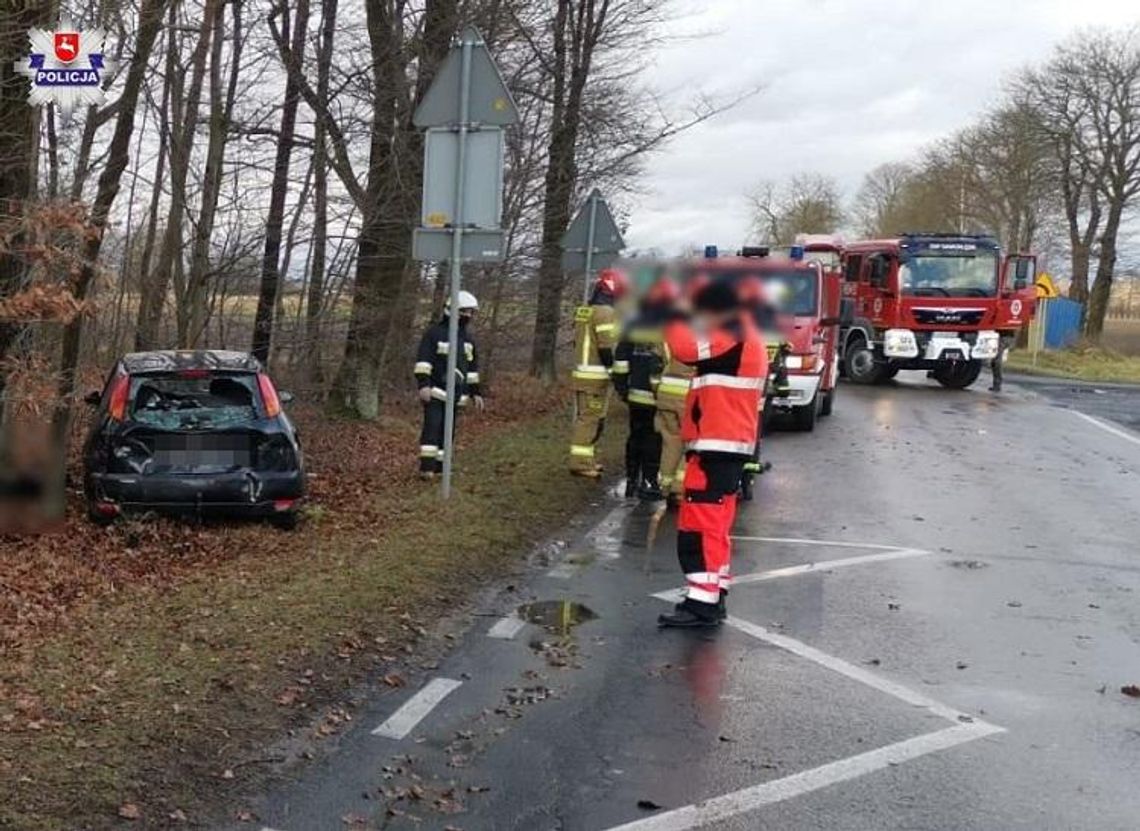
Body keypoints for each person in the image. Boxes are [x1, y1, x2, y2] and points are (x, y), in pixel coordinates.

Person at [657, 278, 768, 628]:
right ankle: (711, 595)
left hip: (718, 444)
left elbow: (685, 348)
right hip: (724, 444)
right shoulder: (744, 332)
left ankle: (701, 605)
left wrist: (671, 308)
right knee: (713, 525)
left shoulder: (734, 331)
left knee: (700, 525)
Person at [612, 277, 677, 500]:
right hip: (657, 394)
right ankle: (649, 481)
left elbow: (620, 359)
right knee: (653, 439)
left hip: (634, 394)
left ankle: (631, 480)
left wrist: (622, 387)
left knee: (635, 436)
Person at [413, 290, 484, 479]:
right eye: (464, 311)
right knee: (432, 428)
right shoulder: (434, 334)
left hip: (457, 396)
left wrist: (475, 393)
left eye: (470, 312)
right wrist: (423, 385)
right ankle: (426, 468)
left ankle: (441, 468)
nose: (468, 316)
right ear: (452, 311)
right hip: (435, 392)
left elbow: (472, 370)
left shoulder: (468, 340)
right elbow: (424, 361)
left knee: (448, 432)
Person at [568, 268, 629, 478]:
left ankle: (588, 459)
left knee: (590, 418)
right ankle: (581, 463)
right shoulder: (606, 313)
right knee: (590, 419)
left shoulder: (585, 310)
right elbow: (605, 348)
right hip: (595, 378)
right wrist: (616, 373)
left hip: (583, 375)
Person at [655, 276, 702, 503]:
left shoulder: (668, 326)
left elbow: (657, 359)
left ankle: (664, 484)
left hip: (665, 392)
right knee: (691, 441)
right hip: (688, 393)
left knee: (670, 440)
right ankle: (679, 487)